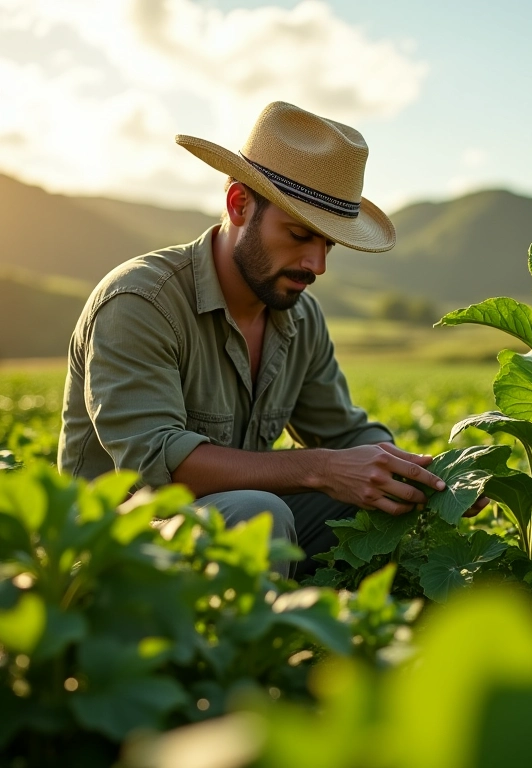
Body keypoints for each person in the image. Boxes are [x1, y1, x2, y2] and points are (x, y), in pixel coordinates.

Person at [57, 101, 457, 579]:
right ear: (239, 205)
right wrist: (321, 468)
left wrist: (433, 475)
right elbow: (161, 467)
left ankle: (335, 614)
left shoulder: (301, 316)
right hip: (111, 547)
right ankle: (264, 627)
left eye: (328, 244)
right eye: (299, 235)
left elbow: (344, 435)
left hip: (227, 527)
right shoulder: (140, 301)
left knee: (376, 499)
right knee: (257, 514)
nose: (317, 265)